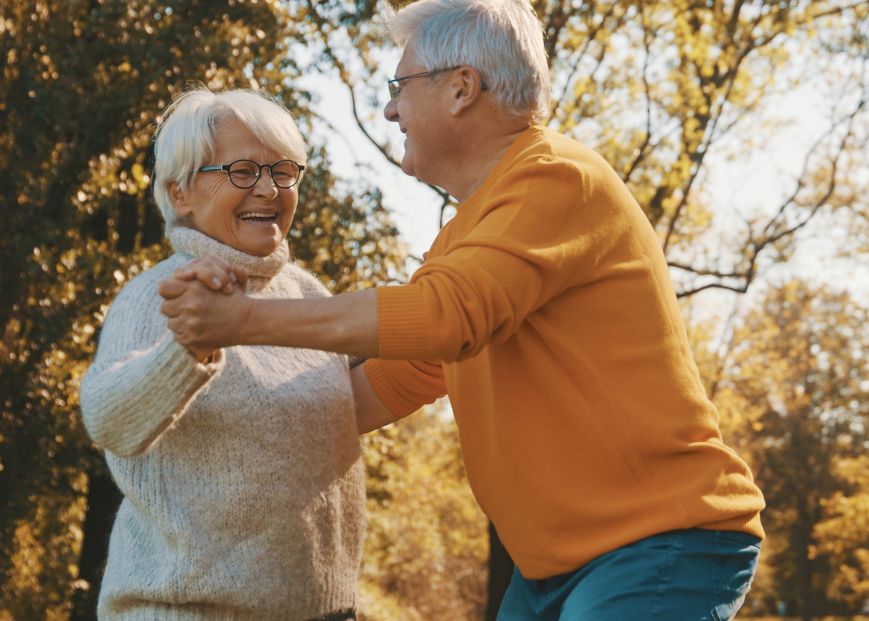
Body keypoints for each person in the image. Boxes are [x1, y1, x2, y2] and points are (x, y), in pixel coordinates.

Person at [159, 1, 766, 619]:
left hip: (661, 537)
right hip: (553, 567)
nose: (391, 107)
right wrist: (209, 416)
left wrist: (244, 320)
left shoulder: (556, 179)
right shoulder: (470, 232)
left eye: (400, 86)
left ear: (461, 88)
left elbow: (446, 316)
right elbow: (400, 377)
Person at [80, 87, 363, 621]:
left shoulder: (308, 296)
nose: (269, 188)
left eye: (284, 170)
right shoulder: (159, 294)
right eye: (242, 171)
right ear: (180, 190)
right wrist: (190, 349)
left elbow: (338, 423)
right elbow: (107, 420)